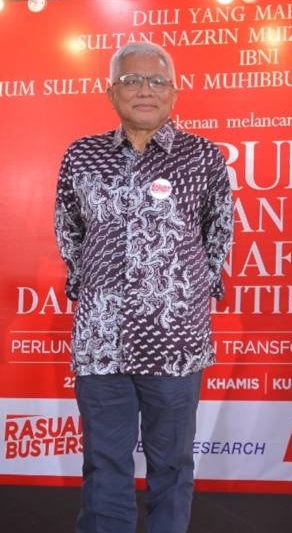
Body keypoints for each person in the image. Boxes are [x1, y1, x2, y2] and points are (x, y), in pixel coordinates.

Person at [54, 41, 234, 533]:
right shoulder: (82, 156)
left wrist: (188, 292)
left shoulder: (202, 157)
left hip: (175, 341)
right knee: (104, 464)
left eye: (157, 81)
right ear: (110, 90)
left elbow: (218, 234)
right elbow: (68, 231)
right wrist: (95, 285)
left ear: (174, 93)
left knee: (172, 466)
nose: (145, 90)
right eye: (132, 80)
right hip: (100, 341)